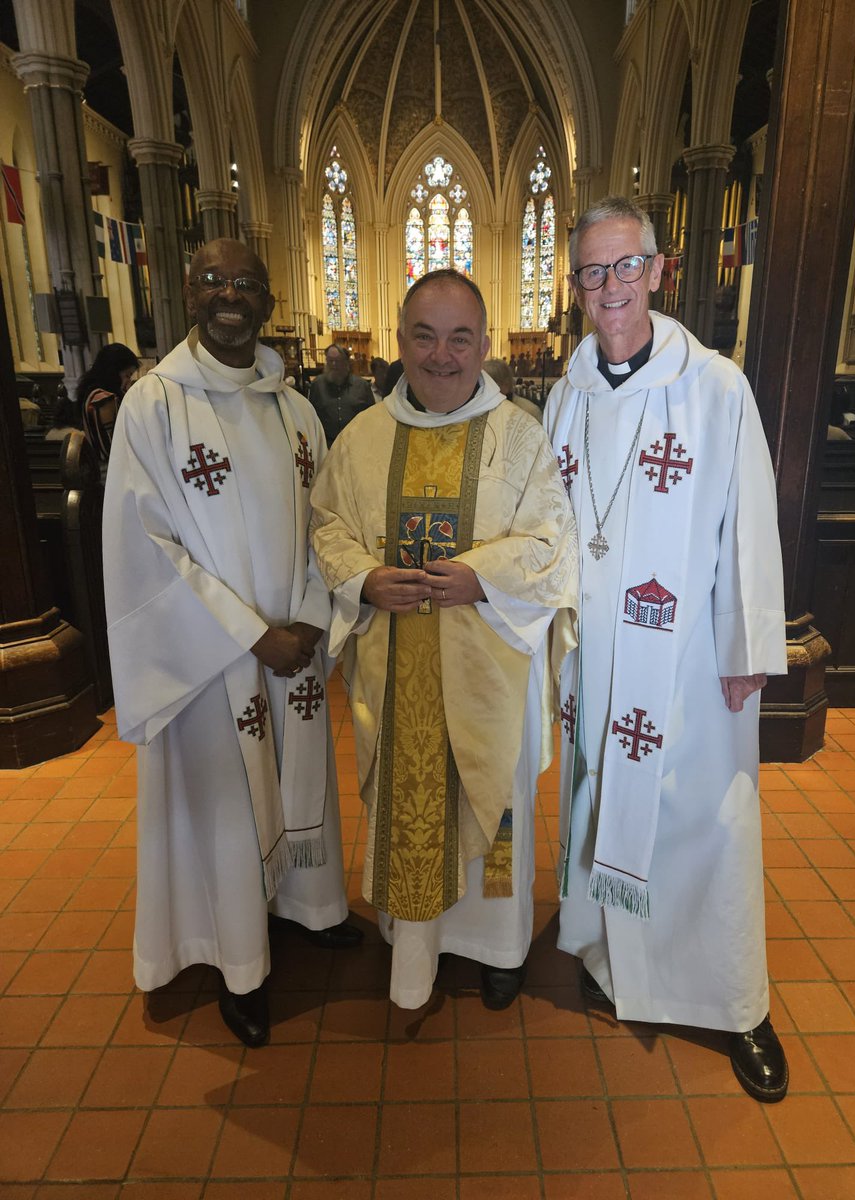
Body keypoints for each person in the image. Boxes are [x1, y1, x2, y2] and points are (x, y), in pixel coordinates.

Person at [544, 196, 789, 1102]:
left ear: (657, 271)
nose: (610, 286)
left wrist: (748, 642)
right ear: (578, 286)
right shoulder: (565, 396)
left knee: (708, 825)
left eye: (626, 266)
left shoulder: (716, 387)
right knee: (602, 806)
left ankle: (737, 1004)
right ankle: (613, 962)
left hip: (687, 665)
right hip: (596, 663)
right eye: (592, 271)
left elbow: (750, 521)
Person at [102, 238, 359, 1049]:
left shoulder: (295, 409)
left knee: (299, 775)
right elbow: (146, 549)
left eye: (247, 283)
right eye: (214, 280)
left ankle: (310, 906)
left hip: (294, 649)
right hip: (214, 659)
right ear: (189, 291)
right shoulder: (153, 406)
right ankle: (240, 963)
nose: (230, 296)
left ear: (269, 302)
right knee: (227, 804)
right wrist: (252, 636)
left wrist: (309, 618)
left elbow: (328, 522)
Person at [311, 269, 578, 1011]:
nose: (442, 355)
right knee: (409, 800)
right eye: (425, 337)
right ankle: (414, 941)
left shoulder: (520, 436)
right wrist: (365, 579)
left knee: (496, 806)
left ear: (484, 344)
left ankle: (498, 948)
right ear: (400, 341)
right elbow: (326, 525)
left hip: (490, 673)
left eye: (460, 338)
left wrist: (480, 577)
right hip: (396, 673)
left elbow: (553, 543)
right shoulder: (363, 438)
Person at [76, 342, 140, 464]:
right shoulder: (104, 399)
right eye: (127, 375)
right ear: (114, 371)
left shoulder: (91, 393)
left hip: (100, 465)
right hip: (112, 468)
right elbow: (113, 446)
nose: (128, 381)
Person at [307, 343, 375, 444]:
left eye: (337, 361)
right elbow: (310, 417)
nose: (333, 365)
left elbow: (372, 417)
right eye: (330, 360)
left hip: (356, 444)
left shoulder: (362, 386)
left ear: (346, 362)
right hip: (327, 446)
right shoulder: (317, 385)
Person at [483, 357, 543, 421]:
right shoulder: (480, 409)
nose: (482, 390)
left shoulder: (529, 411)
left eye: (488, 385)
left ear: (505, 385)